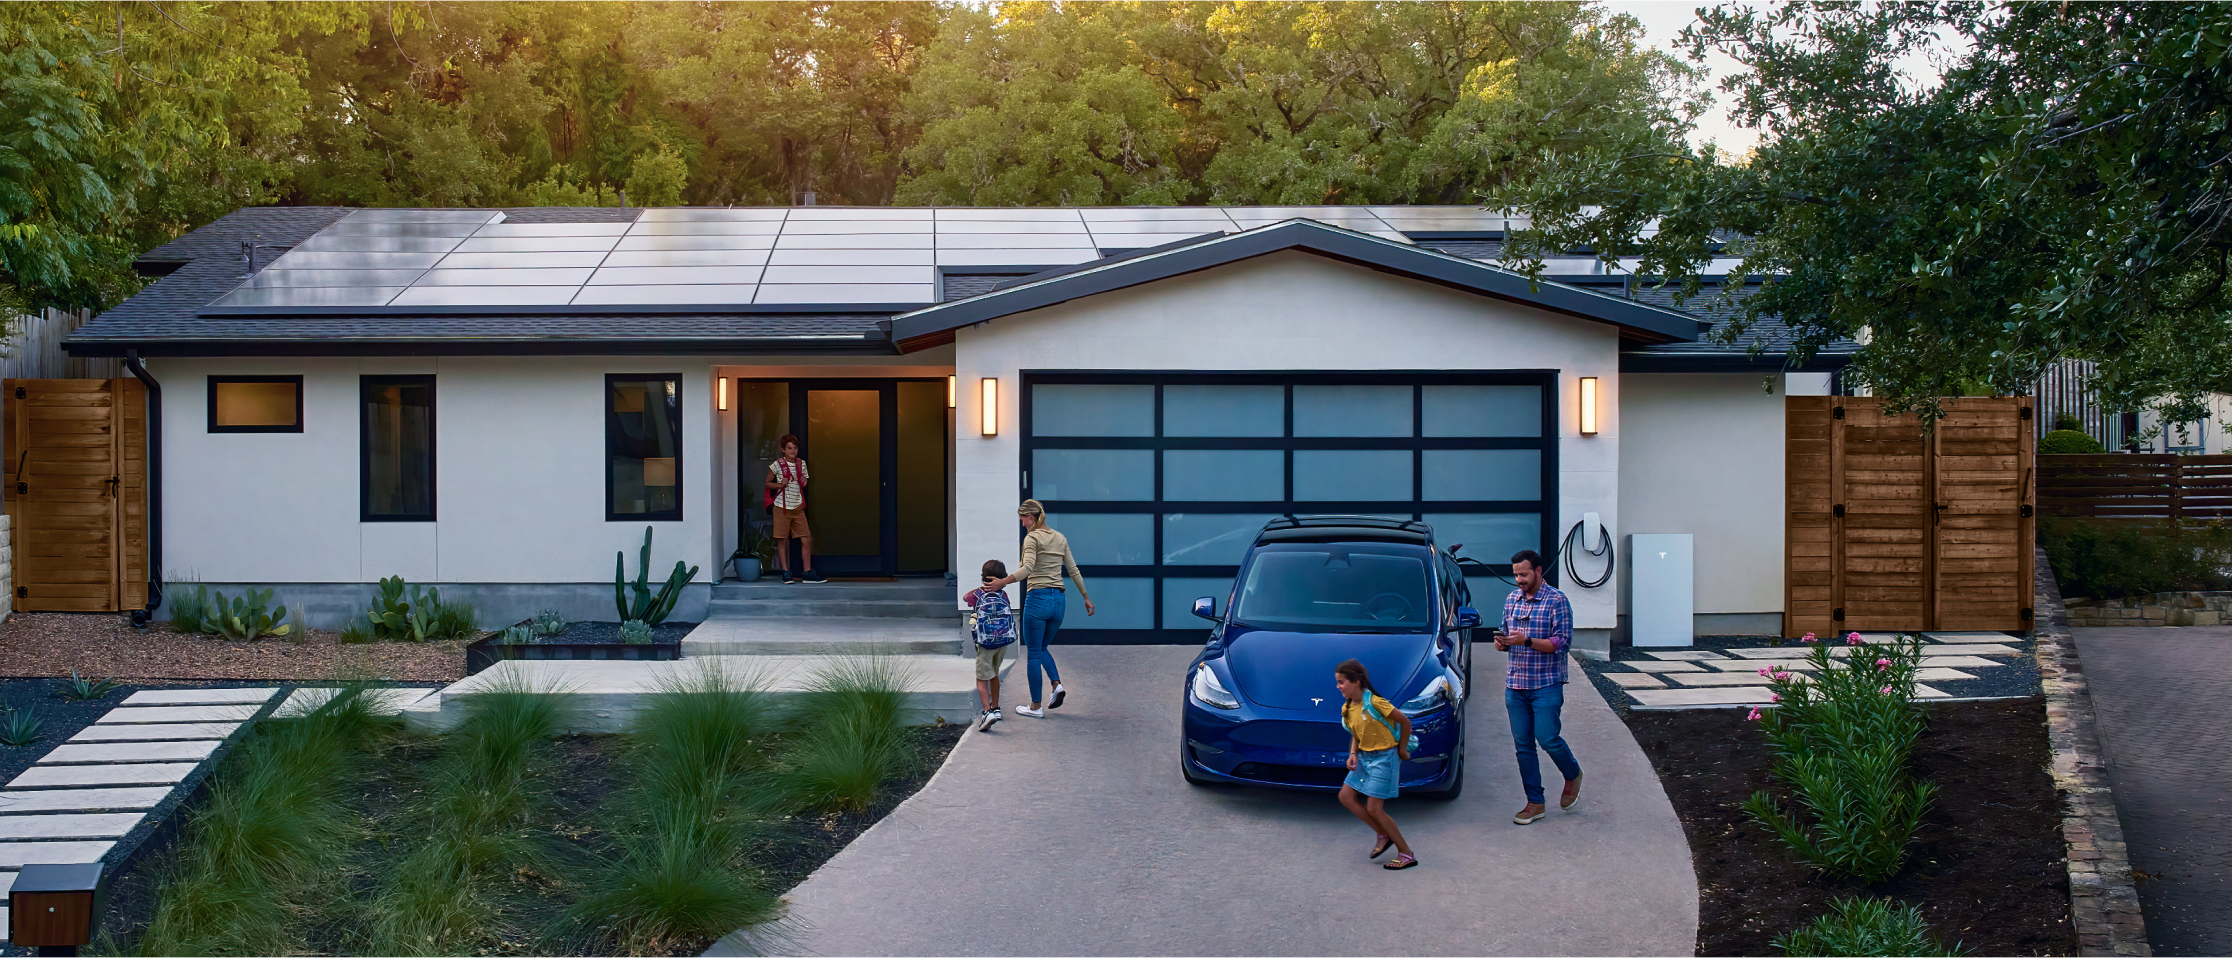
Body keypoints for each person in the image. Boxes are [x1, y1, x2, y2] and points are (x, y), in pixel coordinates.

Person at [1495, 549, 1583, 825]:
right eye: (1516, 575)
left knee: (1547, 738)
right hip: (1516, 685)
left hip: (1546, 684)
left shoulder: (1557, 601)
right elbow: (1506, 632)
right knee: (1523, 746)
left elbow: (1562, 644)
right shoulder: (1512, 600)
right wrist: (1502, 643)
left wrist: (1527, 641)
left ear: (1538, 571)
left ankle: (1572, 773)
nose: (1519, 579)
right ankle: (1535, 802)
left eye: (1523, 574)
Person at [983, 500, 1093, 718]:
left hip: (1038, 599)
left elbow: (1027, 569)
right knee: (1042, 647)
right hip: (1059, 601)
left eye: (1023, 519)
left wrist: (1002, 582)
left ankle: (1035, 707)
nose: (1023, 524)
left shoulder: (1032, 538)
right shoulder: (1059, 538)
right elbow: (1073, 570)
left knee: (1033, 653)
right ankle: (1056, 685)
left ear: (1030, 517)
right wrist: (1085, 597)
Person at [1335, 659, 1418, 870]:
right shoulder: (1348, 707)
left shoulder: (1375, 703)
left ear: (1357, 681)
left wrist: (1402, 750)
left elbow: (1405, 722)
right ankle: (1383, 834)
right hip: (1364, 758)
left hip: (1384, 758)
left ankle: (1406, 854)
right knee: (1345, 796)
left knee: (1375, 808)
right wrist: (1353, 753)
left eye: (1342, 681)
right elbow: (1356, 733)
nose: (1339, 686)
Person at [964, 559, 1016, 732]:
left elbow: (966, 598)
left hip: (985, 643)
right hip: (1002, 641)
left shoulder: (978, 594)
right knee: (994, 673)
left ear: (983, 578)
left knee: (981, 677)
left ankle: (987, 712)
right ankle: (996, 708)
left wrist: (981, 587)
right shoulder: (1004, 595)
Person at [765, 435, 825, 584]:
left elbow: (802, 482)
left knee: (806, 539)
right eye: (789, 448)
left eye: (795, 448)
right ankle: (785, 572)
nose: (793, 451)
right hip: (781, 506)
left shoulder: (801, 464)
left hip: (797, 506)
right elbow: (767, 483)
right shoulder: (777, 464)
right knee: (782, 540)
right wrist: (780, 485)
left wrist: (804, 482)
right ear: (783, 449)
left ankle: (807, 572)